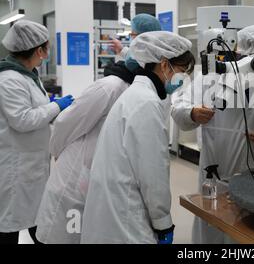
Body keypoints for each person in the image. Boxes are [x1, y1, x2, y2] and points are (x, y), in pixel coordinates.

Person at [34, 16, 162, 244]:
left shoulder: (143, 92)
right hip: (75, 181)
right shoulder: (109, 87)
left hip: (106, 184)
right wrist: (56, 152)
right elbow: (66, 123)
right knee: (66, 236)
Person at [171, 25, 254, 244]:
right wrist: (193, 113)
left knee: (248, 234)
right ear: (242, 55)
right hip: (214, 176)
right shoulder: (210, 80)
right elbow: (178, 108)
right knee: (212, 230)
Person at [81, 31, 195, 244]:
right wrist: (163, 223)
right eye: (181, 70)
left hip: (114, 207)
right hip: (126, 217)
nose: (183, 78)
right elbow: (153, 174)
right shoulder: (146, 103)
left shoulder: (136, 94)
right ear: (164, 65)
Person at [0, 20, 73, 244]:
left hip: (32, 163)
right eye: (47, 48)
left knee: (37, 219)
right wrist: (56, 106)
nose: (48, 53)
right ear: (38, 50)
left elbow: (35, 111)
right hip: (17, 165)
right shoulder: (9, 79)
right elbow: (23, 119)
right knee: (9, 224)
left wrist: (54, 111)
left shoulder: (28, 74)